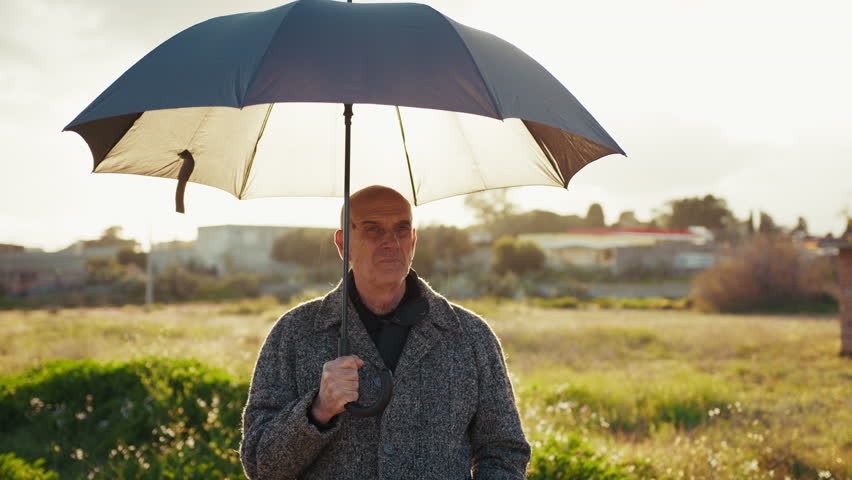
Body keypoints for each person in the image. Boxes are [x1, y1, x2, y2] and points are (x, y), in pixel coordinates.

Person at [240, 185, 530, 479]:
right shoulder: (294, 334)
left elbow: (504, 452)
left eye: (402, 229)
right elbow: (261, 465)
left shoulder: (471, 336)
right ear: (343, 244)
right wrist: (317, 410)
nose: (391, 242)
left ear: (414, 240)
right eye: (373, 230)